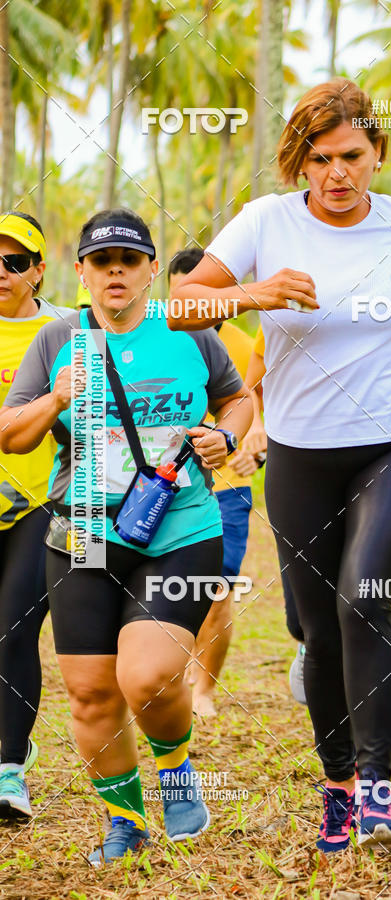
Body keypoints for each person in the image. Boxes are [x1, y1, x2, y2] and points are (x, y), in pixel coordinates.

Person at [169, 78, 391, 851]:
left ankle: (379, 790)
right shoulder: (265, 223)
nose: (337, 174)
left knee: (361, 595)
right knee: (315, 627)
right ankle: (338, 785)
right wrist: (253, 292)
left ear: (377, 153)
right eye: (320, 159)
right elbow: (179, 302)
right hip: (303, 451)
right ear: (299, 163)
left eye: (351, 156)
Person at [0, 209, 252, 863]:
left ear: (149, 270)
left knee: (148, 676)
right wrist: (54, 400)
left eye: (130, 260)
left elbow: (237, 398)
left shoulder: (189, 331)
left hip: (180, 526)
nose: (116, 271)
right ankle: (125, 819)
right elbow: (11, 434)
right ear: (80, 271)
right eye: (102, 261)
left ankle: (174, 766)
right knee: (89, 691)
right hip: (82, 530)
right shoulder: (57, 339)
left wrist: (226, 436)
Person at [168, 248, 261, 717]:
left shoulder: (245, 345)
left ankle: (204, 688)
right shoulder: (154, 339)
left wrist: (255, 447)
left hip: (224, 489)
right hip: (158, 491)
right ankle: (171, 674)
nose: (199, 303)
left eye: (209, 294)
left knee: (218, 590)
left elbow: (260, 408)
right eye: (188, 292)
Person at [0, 212, 66, 818]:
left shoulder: (65, 330)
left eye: (14, 261)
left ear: (38, 270)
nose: (1, 272)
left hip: (39, 503)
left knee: (15, 628)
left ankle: (9, 770)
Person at [246, 329, 306, 704]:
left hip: (362, 459)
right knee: (300, 563)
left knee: (359, 581)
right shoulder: (280, 319)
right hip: (295, 459)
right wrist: (255, 425)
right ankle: (306, 643)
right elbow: (250, 386)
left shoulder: (373, 310)